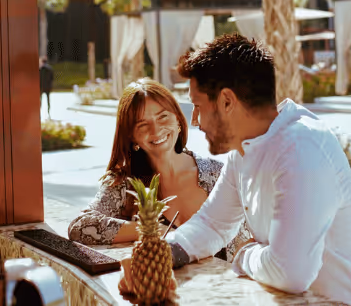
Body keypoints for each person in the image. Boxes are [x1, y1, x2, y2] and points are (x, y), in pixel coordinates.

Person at [120, 34, 351, 306]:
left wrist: (244, 255)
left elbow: (290, 274)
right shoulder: (243, 152)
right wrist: (157, 256)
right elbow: (212, 224)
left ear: (227, 102)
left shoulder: (302, 149)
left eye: (198, 106)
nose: (195, 121)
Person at [68, 78, 249, 261]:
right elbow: (79, 227)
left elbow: (248, 242)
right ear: (131, 136)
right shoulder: (124, 184)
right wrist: (149, 230)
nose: (156, 131)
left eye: (163, 117)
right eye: (142, 124)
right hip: (157, 286)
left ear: (178, 119)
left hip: (223, 288)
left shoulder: (218, 174)